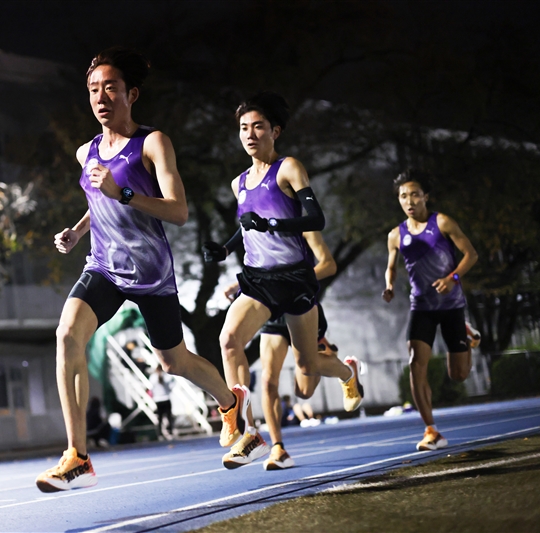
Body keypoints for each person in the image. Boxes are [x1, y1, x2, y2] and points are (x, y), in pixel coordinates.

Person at [35, 47, 247, 493]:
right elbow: (97, 200)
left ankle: (229, 403)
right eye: (93, 89)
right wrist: (76, 231)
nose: (101, 97)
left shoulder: (153, 143)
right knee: (67, 335)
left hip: (151, 274)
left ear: (131, 94)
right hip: (105, 268)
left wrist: (124, 192)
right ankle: (77, 455)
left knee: (174, 362)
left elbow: (179, 211)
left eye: (110, 87)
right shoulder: (85, 151)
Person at [203, 92, 363, 470]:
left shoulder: (288, 168)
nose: (250, 134)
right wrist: (225, 250)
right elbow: (247, 227)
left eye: (258, 126)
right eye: (243, 128)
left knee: (307, 366)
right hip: (259, 278)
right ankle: (250, 431)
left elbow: (315, 219)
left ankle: (346, 372)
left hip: (295, 279)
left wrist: (273, 224)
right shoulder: (238, 183)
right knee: (228, 340)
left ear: (275, 131)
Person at [220, 229, 341, 470]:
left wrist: (291, 282)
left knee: (304, 389)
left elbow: (328, 265)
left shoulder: (301, 222)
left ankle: (340, 368)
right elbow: (258, 265)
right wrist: (241, 283)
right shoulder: (255, 224)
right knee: (268, 381)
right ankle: (276, 447)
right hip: (272, 312)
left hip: (300, 305)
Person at [383, 169, 478, 451]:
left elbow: (471, 254)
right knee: (415, 363)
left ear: (425, 196)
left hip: (451, 305)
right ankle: (431, 430)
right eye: (403, 196)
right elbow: (390, 267)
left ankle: (468, 337)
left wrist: (453, 279)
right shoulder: (395, 235)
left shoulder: (443, 222)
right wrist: (389, 286)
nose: (409, 201)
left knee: (458, 375)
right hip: (421, 306)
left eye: (414, 194)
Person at [150, 365, 175, 439]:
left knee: (160, 418)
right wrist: (168, 391)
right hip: (166, 398)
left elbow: (151, 388)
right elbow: (172, 384)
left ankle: (159, 433)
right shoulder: (166, 376)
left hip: (158, 400)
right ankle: (170, 431)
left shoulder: (153, 377)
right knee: (169, 416)